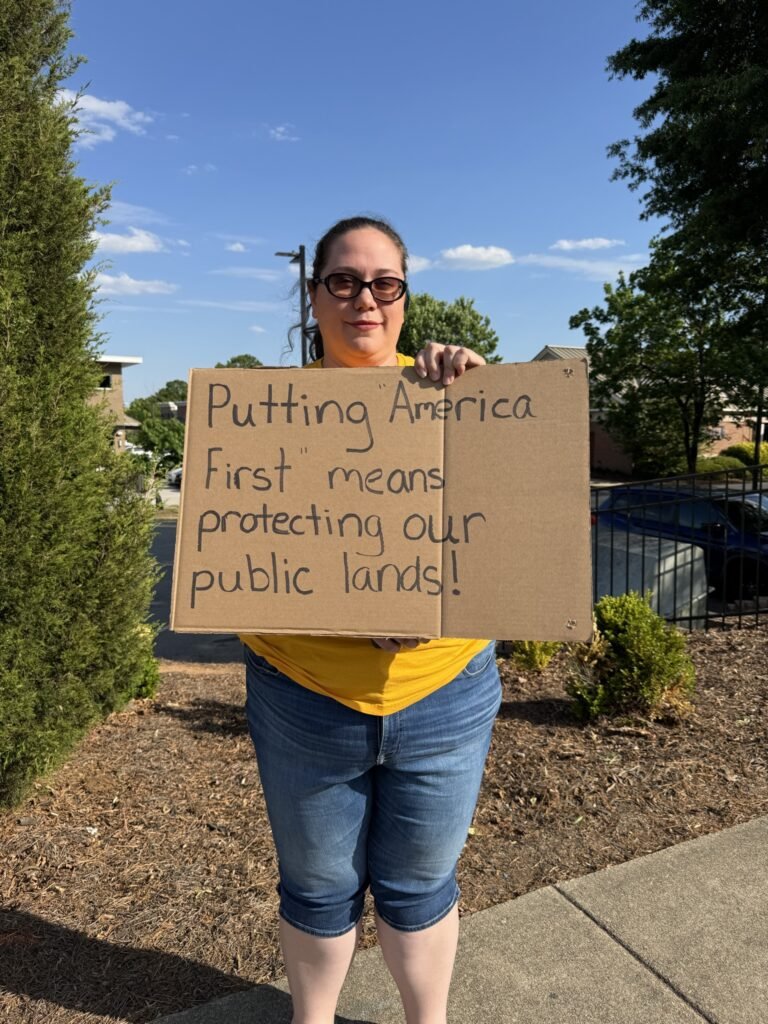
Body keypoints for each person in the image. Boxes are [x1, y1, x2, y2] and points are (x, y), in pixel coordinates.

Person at [239, 215, 500, 1024]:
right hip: (305, 693)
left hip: (444, 690)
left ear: (404, 296)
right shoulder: (265, 417)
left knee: (422, 884)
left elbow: (506, 511)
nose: (365, 299)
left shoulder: (452, 393)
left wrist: (489, 391)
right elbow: (254, 556)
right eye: (343, 281)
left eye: (384, 283)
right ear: (313, 293)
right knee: (317, 885)